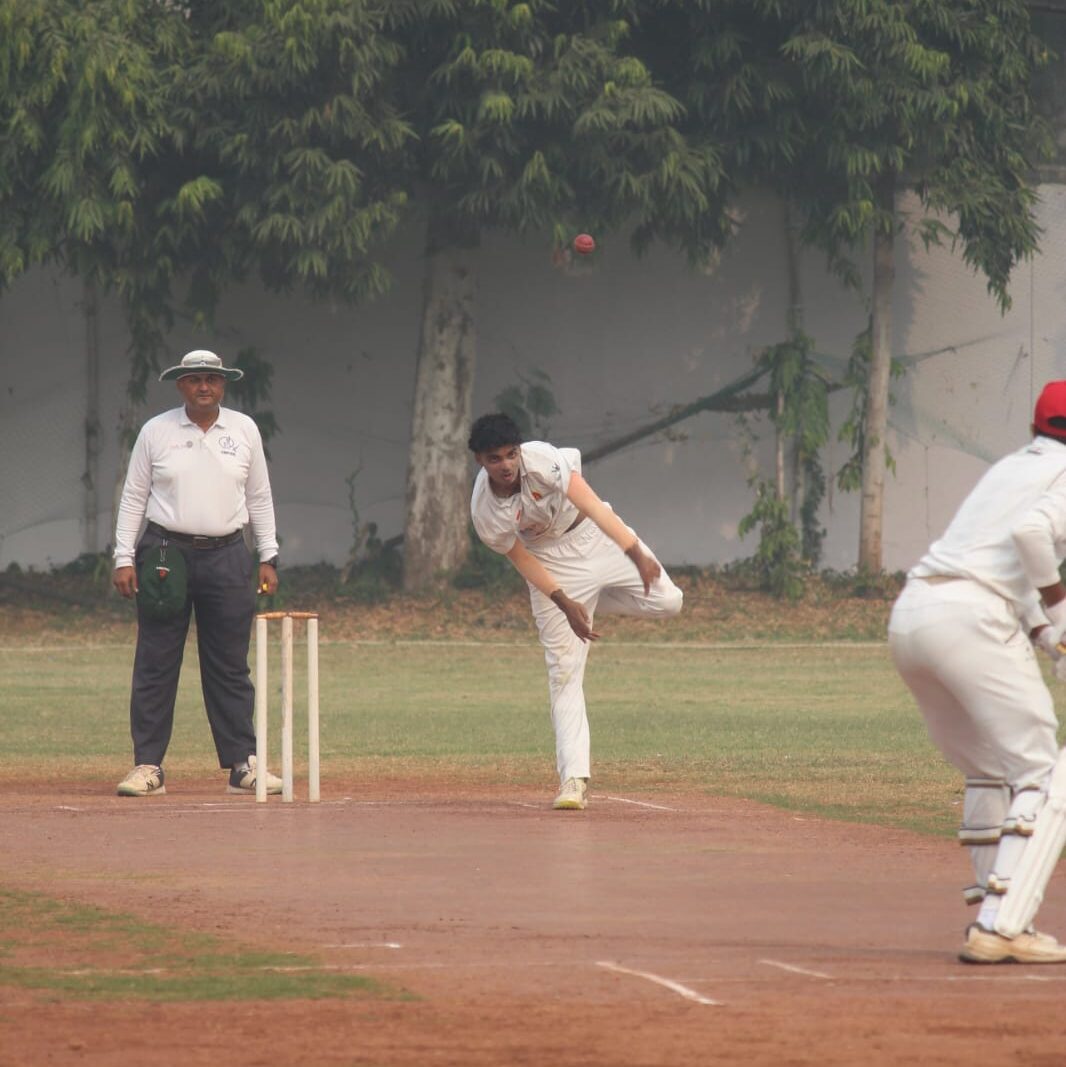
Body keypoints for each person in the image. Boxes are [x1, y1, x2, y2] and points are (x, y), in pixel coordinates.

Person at [888, 380, 1066, 964]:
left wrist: (1044, 634)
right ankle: (1002, 922)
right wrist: (1063, 616)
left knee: (991, 768)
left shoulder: (1011, 468)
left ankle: (995, 916)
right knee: (1041, 768)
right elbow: (1032, 536)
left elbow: (1001, 553)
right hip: (973, 619)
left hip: (914, 615)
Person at [468, 413, 683, 810]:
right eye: (494, 458)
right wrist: (563, 601)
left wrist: (634, 553)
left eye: (510, 454)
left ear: (520, 451)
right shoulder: (484, 511)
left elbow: (593, 504)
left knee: (669, 602)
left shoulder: (542, 459)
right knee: (564, 672)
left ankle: (593, 604)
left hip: (594, 534)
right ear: (480, 460)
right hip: (550, 560)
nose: (506, 465)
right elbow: (521, 560)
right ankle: (573, 780)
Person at [111, 349, 282, 797]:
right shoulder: (157, 430)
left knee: (229, 664)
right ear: (180, 385)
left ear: (223, 384)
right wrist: (123, 557)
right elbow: (134, 497)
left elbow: (259, 496)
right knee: (156, 660)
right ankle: (148, 765)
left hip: (228, 553)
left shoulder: (243, 429)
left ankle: (242, 764)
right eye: (194, 379)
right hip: (166, 553)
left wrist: (268, 555)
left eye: (212, 378)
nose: (204, 386)